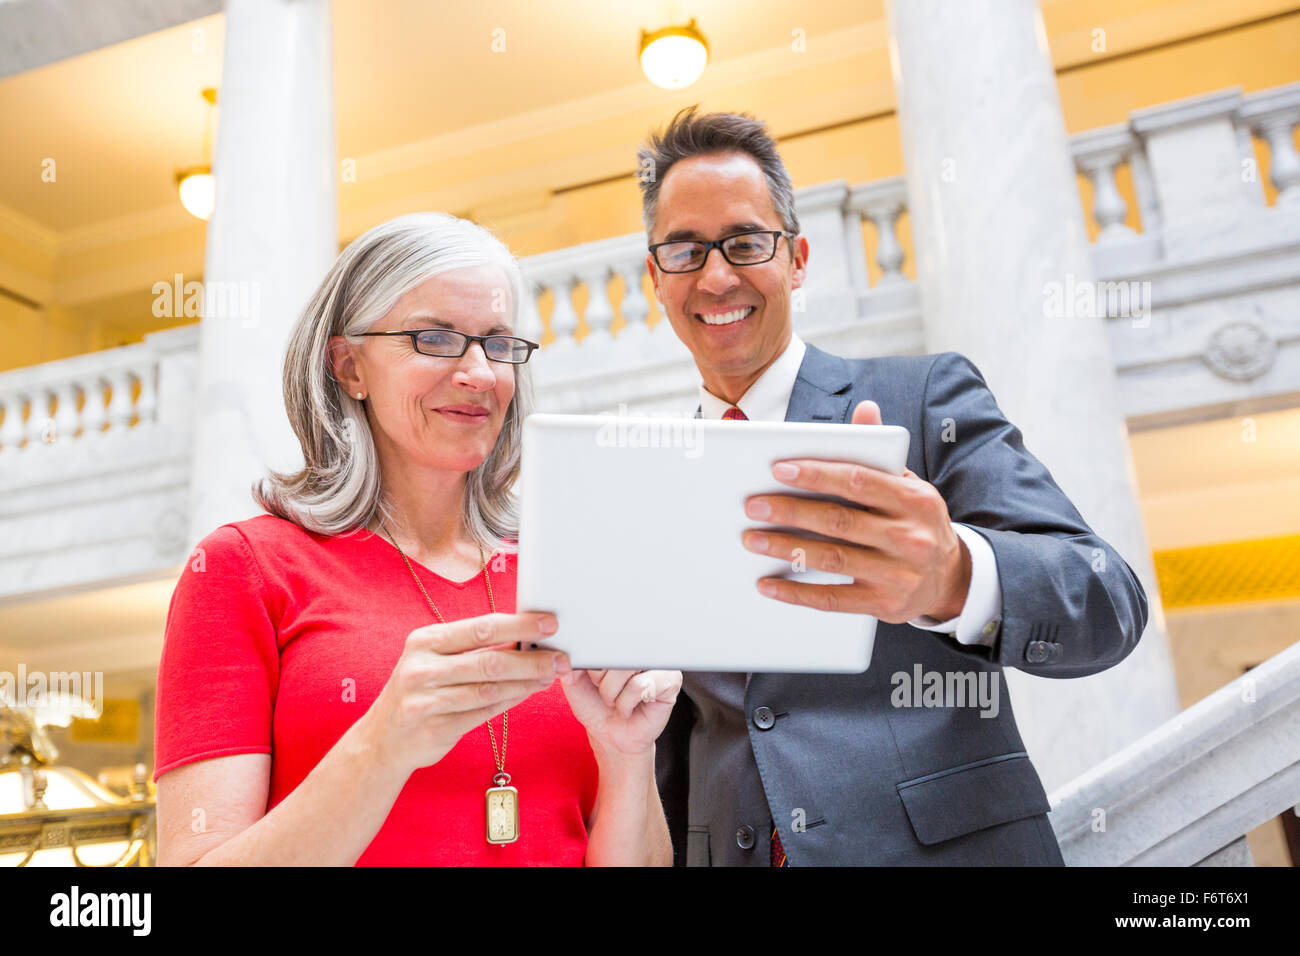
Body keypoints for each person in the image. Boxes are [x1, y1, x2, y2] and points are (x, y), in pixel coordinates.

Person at [638, 108, 1149, 866]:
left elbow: (1106, 599)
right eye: (685, 251)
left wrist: (954, 575)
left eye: (745, 243)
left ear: (798, 258)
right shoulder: (653, 480)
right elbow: (680, 736)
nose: (716, 276)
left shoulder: (925, 397)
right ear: (656, 278)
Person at [153, 212, 680, 866]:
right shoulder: (243, 568)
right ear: (349, 367)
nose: (479, 373)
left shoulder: (569, 565)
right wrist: (384, 745)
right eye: (434, 338)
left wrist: (629, 754)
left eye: (497, 342)